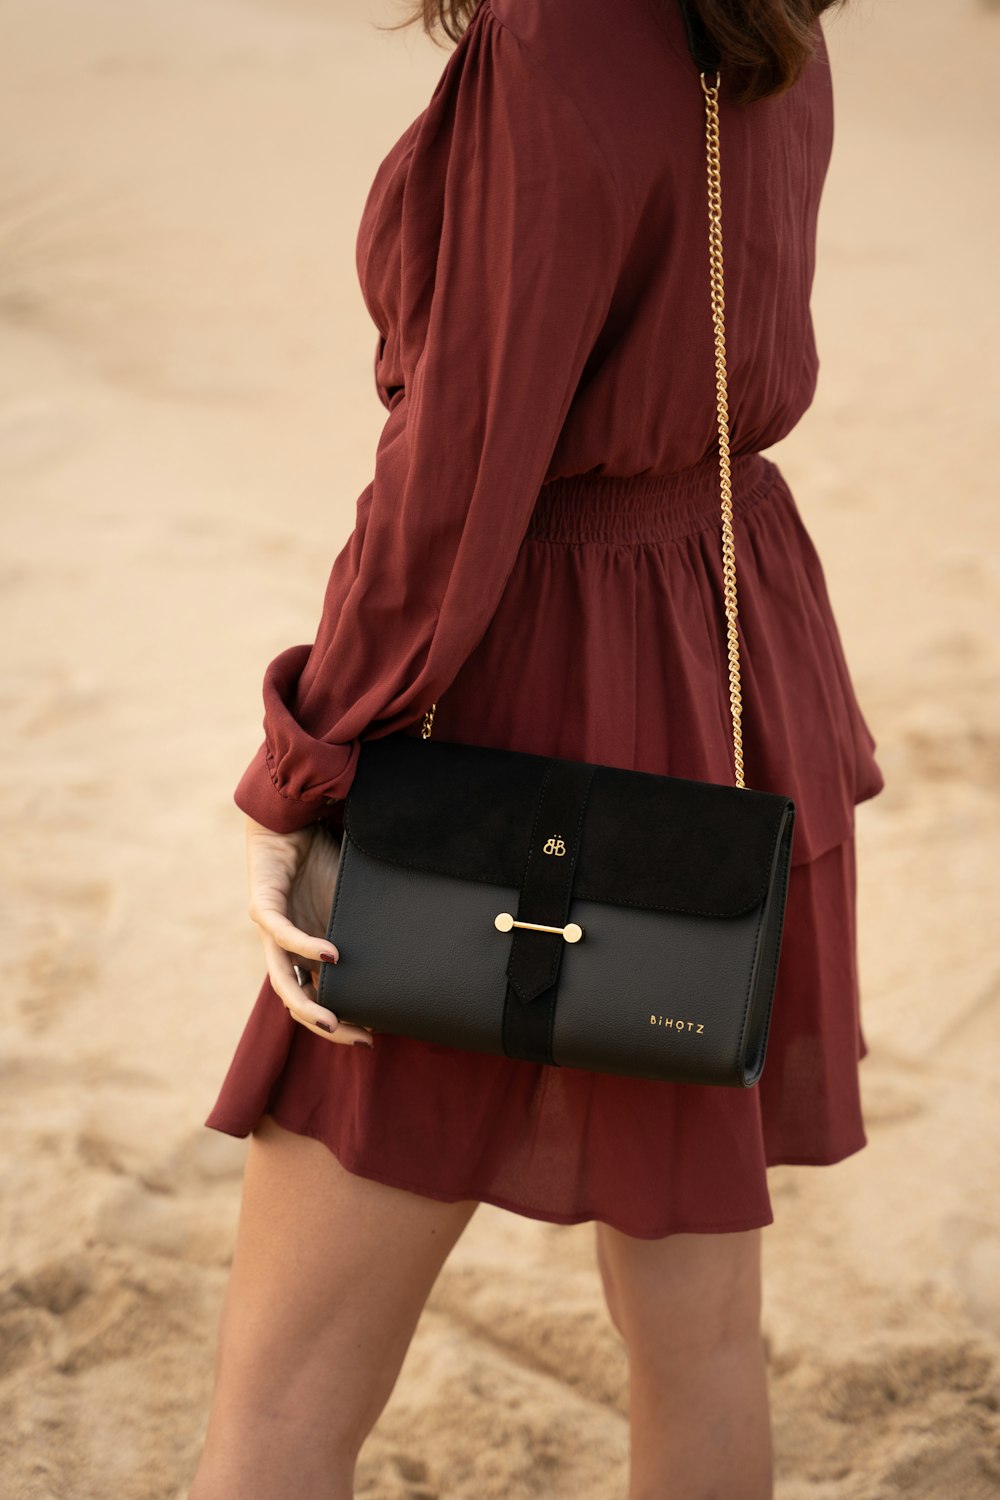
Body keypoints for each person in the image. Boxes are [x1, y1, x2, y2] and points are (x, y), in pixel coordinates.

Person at [189, 0, 884, 1495]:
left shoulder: (559, 34)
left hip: (521, 693)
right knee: (698, 1346)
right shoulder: (772, 21)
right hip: (725, 664)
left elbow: (454, 486)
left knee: (282, 1400)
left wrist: (302, 764)